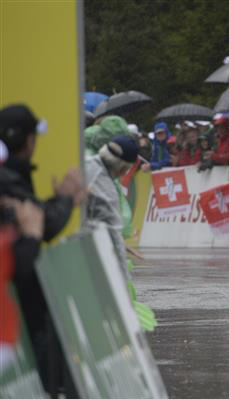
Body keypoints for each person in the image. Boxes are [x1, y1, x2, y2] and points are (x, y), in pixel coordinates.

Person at [0, 104, 85, 396]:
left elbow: (34, 217)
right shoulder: (7, 178)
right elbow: (37, 229)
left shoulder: (14, 177)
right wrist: (65, 201)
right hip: (19, 313)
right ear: (25, 140)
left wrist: (57, 203)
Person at [83, 135, 139, 281]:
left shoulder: (82, 160)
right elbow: (114, 236)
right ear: (122, 168)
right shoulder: (106, 190)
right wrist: (124, 282)